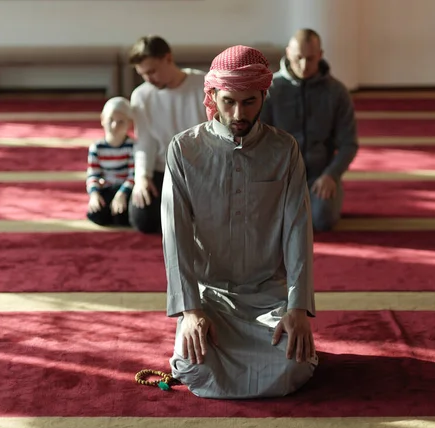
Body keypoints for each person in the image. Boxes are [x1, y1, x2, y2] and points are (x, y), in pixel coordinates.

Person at [160, 45, 318, 400]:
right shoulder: (183, 150)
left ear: (264, 95)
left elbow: (297, 230)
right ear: (213, 95)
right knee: (192, 365)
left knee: (297, 363)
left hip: (267, 297)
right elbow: (176, 236)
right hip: (210, 298)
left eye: (249, 102)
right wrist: (190, 311)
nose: (237, 113)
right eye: (229, 101)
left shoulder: (284, 150)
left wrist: (297, 308)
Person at [260, 28, 359, 232]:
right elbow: (258, 140)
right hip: (280, 176)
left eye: (310, 59)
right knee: (265, 223)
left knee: (322, 219)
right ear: (288, 53)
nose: (304, 66)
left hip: (319, 175)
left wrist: (331, 175)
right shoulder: (270, 90)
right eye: (298, 58)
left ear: (320, 56)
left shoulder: (337, 92)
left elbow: (349, 143)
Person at [128, 35, 208, 234]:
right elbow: (144, 143)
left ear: (168, 58)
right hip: (162, 170)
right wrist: (141, 178)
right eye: (143, 74)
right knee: (143, 220)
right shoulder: (142, 95)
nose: (149, 79)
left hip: (199, 170)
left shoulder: (204, 84)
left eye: (152, 71)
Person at [86, 96, 135, 227]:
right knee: (96, 214)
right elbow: (93, 175)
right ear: (102, 119)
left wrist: (122, 193)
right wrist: (94, 194)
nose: (114, 125)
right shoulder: (97, 147)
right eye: (111, 120)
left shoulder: (132, 146)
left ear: (129, 123)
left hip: (125, 189)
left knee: (122, 217)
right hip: (107, 187)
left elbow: (133, 175)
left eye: (121, 122)